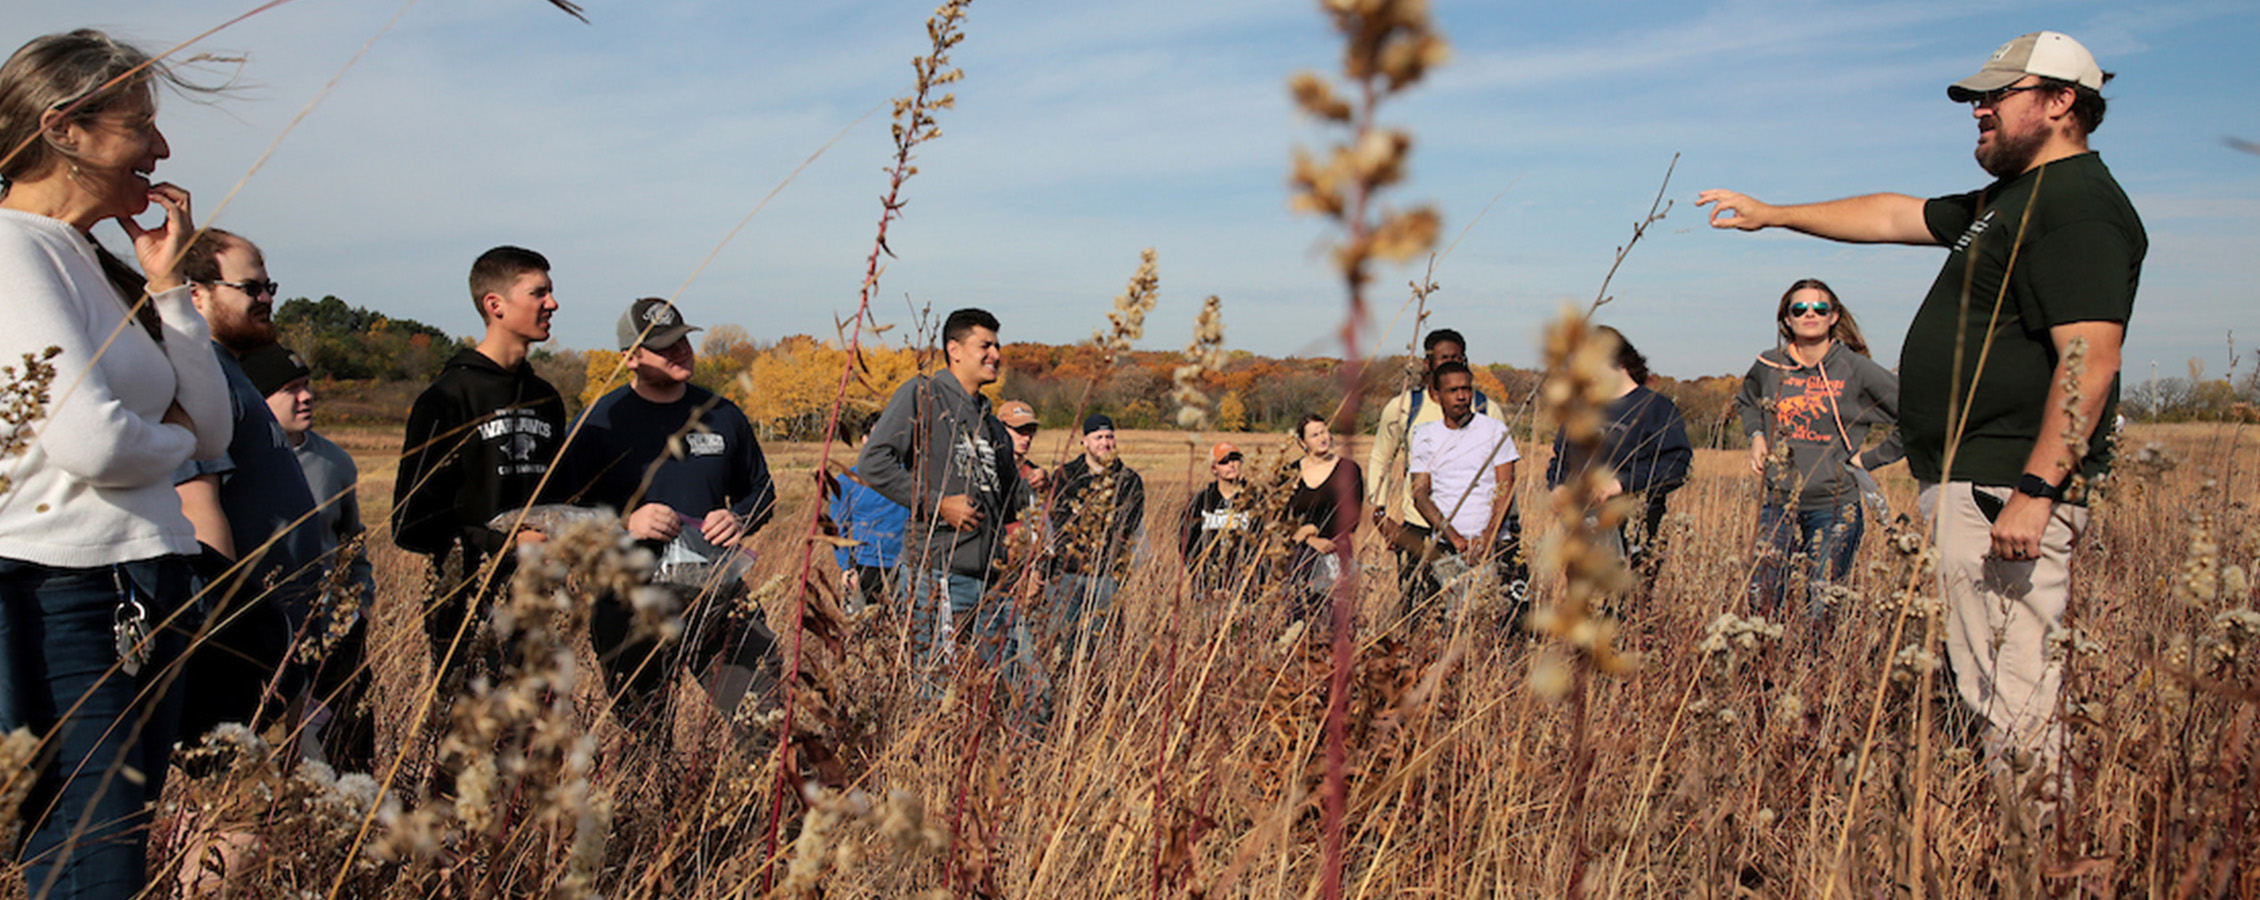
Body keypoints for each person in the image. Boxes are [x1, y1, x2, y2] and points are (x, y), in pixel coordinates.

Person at [1698, 31, 2143, 777]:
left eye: (1998, 96)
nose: (1979, 110)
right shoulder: (2012, 200)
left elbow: (2088, 358)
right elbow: (1889, 216)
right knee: (1985, 678)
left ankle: (2037, 861)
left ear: (2063, 101)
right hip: (1976, 479)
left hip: (2007, 482)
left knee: (2014, 687)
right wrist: (1773, 213)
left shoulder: (2076, 207)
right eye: (1977, 98)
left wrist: (2036, 491)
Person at [0, 29, 233, 899]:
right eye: (142, 124)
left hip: (139, 583)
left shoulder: (91, 263)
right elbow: (90, 441)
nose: (163, 149)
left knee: (114, 849)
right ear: (65, 129)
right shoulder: (11, 250)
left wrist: (170, 290)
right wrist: (167, 435)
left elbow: (211, 432)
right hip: (71, 591)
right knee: (89, 856)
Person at [563, 298, 778, 734]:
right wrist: (626, 525)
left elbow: (763, 492)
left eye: (683, 340)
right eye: (664, 347)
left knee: (765, 721)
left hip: (717, 596)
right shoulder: (597, 423)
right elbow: (562, 517)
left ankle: (759, 802)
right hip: (629, 601)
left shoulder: (721, 414)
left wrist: (738, 517)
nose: (680, 351)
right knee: (644, 737)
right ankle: (651, 801)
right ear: (629, 357)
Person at [172, 229, 325, 743]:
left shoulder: (231, 373)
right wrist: (235, 642)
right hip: (249, 654)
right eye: (250, 288)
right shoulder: (199, 379)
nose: (265, 300)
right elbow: (198, 509)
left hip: (282, 645)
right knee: (246, 813)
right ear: (196, 294)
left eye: (269, 288)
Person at [392, 246, 569, 687]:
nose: (553, 304)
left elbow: (559, 497)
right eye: (538, 293)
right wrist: (502, 542)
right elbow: (410, 523)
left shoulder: (545, 399)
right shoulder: (447, 398)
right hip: (467, 609)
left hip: (537, 604)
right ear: (495, 305)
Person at [855, 308, 1028, 672]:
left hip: (993, 580)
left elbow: (1010, 502)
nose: (996, 355)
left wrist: (1038, 493)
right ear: (955, 349)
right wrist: (937, 504)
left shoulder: (993, 425)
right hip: (939, 573)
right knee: (937, 689)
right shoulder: (924, 394)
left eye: (998, 346)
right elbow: (874, 462)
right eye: (986, 345)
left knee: (1026, 685)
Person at [238, 342, 376, 771]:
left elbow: (353, 543)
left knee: (348, 756)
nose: (306, 397)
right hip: (266, 642)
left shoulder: (334, 462)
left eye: (307, 386)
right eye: (291, 390)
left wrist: (359, 608)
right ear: (259, 398)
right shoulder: (236, 462)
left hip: (336, 640)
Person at [1734, 280, 1901, 623]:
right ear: (1787, 319)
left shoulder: (1855, 369)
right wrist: (1756, 436)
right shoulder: (1769, 365)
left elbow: (1918, 416)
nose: (1810, 314)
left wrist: (1869, 459)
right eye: (1800, 309)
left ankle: (1813, 669)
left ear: (1833, 317)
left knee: (1822, 605)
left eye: (1819, 308)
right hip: (1778, 503)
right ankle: (1765, 673)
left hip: (1836, 505)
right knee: (1762, 603)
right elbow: (1747, 400)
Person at [1366, 329, 1506, 612]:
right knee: (1417, 607)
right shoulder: (1404, 408)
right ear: (1428, 363)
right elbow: (1381, 456)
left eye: (1456, 358)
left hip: (1474, 531)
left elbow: (1504, 477)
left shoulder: (1486, 409)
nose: (1449, 363)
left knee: (1477, 610)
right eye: (1443, 358)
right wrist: (1379, 512)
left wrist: (1503, 528)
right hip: (1419, 525)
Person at [1544, 327, 1692, 580]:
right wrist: (1558, 487)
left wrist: (1620, 484)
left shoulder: (1655, 408)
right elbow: (1560, 460)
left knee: (1628, 608)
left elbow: (1676, 466)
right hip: (1581, 528)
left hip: (1636, 528)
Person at [1407, 362, 1525, 625]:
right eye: (1452, 390)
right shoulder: (1426, 436)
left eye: (1466, 389)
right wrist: (1457, 540)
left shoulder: (1494, 431)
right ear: (1436, 395)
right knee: (1450, 623)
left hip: (1492, 547)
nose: (1461, 396)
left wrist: (1487, 537)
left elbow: (1505, 488)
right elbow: (1420, 496)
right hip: (1447, 548)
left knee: (1493, 622)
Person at [1045, 414, 1145, 649]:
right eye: (1098, 437)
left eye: (1109, 436)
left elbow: (1126, 525)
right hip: (1066, 575)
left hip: (1106, 576)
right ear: (1085, 441)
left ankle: (1098, 686)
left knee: (1103, 646)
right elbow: (1057, 521)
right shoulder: (1065, 476)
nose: (1105, 442)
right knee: (1060, 643)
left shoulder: (1129, 480)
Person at [1284, 413, 1363, 624]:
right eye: (1315, 435)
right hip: (1301, 553)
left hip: (1336, 549)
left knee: (1335, 617)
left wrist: (1325, 538)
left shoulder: (1348, 469)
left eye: (1325, 431)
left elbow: (1352, 515)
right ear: (1302, 443)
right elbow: (1280, 518)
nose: (1323, 438)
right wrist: (1309, 539)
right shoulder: (1290, 472)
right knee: (1299, 616)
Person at [830, 436, 908, 614]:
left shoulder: (912, 478)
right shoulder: (847, 481)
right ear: (864, 440)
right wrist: (846, 568)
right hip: (865, 567)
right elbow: (837, 528)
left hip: (907, 565)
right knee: (862, 629)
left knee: (908, 629)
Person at [1179, 442, 1256, 595]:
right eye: (1224, 462)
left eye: (1235, 459)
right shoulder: (1201, 501)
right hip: (1207, 587)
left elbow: (1262, 542)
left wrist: (1251, 578)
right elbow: (1186, 543)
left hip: (1245, 588)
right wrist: (1202, 577)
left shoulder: (1254, 500)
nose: (1231, 465)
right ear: (1214, 468)